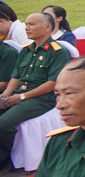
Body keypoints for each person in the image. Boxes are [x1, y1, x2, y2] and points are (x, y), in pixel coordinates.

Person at [0, 12, 72, 169]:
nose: (27, 28)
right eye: (26, 24)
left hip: (42, 99)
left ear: (47, 27)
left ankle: (4, 157)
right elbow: (16, 77)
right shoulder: (26, 50)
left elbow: (52, 83)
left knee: (3, 124)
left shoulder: (57, 51)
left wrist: (22, 97)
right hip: (19, 94)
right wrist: (5, 96)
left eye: (31, 24)